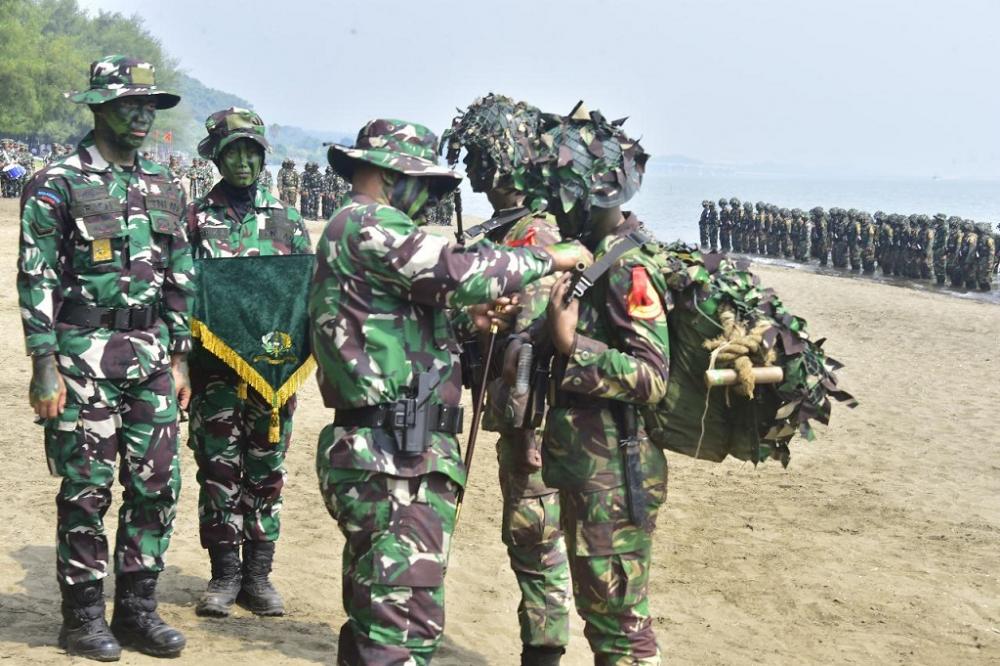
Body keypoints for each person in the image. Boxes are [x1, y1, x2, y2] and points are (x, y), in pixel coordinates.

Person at [309, 118, 591, 665]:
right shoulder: (368, 222)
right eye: (429, 186)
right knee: (398, 630)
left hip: (398, 451)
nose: (432, 200)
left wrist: (469, 321)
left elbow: (397, 325)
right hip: (390, 457)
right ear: (395, 177)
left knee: (390, 613)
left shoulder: (361, 231)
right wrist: (551, 258)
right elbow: (457, 270)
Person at [17, 55, 192, 661]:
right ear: (98, 107)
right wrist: (43, 362)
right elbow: (35, 276)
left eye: (149, 105)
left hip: (151, 359)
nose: (142, 115)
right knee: (87, 488)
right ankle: (83, 618)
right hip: (80, 358)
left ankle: (139, 610)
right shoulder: (57, 182)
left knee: (158, 486)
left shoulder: (165, 185)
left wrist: (181, 357)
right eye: (128, 105)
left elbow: (180, 276)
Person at [522, 104, 669, 665]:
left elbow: (652, 375)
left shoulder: (629, 269)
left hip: (617, 473)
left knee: (620, 624)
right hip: (589, 471)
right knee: (601, 614)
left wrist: (570, 345)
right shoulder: (597, 262)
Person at [443, 93, 572, 666]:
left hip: (533, 415)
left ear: (507, 161)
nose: (471, 170)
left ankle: (543, 654)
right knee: (526, 529)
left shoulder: (536, 233)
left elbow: (527, 319)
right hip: (507, 405)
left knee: (535, 531)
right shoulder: (503, 227)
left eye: (479, 158)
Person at [185, 107, 312, 618]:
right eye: (232, 150)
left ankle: (258, 576)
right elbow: (181, 292)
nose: (242, 160)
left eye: (251, 151)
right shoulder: (196, 220)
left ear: (262, 156)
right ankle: (224, 574)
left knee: (265, 469)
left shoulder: (288, 220)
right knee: (217, 470)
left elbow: (304, 296)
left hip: (273, 375)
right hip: (214, 376)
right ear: (216, 156)